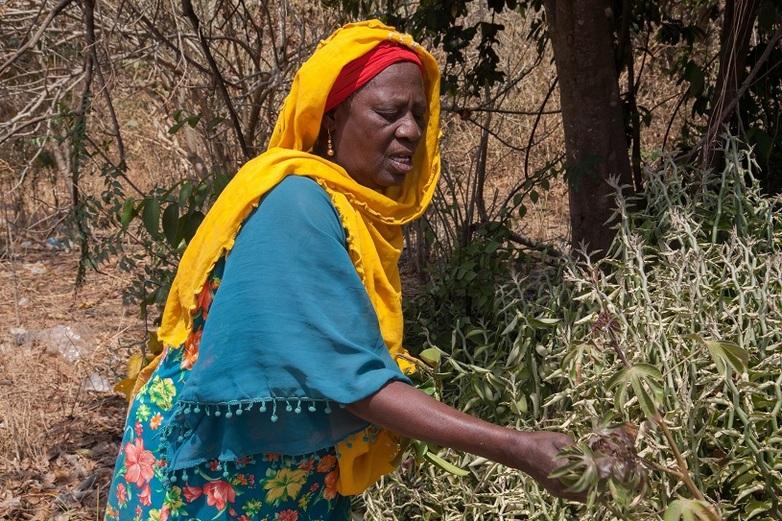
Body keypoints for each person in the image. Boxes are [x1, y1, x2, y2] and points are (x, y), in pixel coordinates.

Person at [104, 20, 579, 521]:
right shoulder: (298, 205)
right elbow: (351, 381)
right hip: (214, 477)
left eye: (420, 113)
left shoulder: (347, 211)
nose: (411, 130)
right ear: (332, 119)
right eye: (389, 112)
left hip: (275, 469)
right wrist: (516, 448)